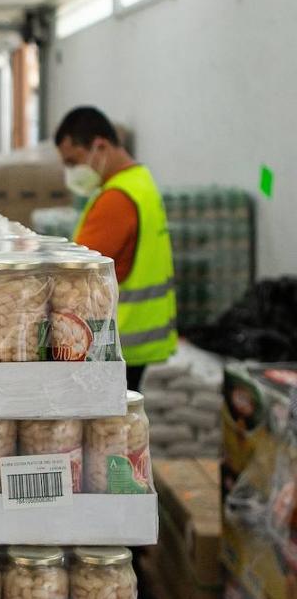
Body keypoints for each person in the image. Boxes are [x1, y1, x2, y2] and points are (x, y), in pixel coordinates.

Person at [55, 106, 177, 389]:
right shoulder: (141, 182)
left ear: (100, 146)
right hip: (141, 339)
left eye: (73, 162)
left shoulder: (116, 199)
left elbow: (77, 277)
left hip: (117, 340)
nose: (71, 173)